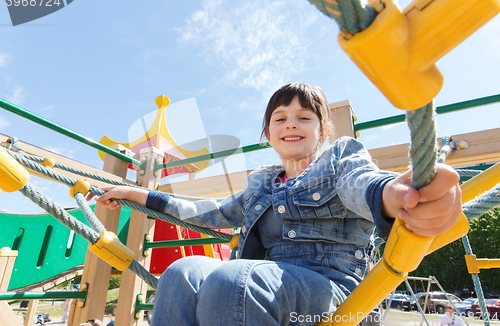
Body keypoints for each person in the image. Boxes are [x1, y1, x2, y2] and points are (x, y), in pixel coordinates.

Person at [88, 83, 462, 326]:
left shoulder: (339, 158)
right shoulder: (260, 183)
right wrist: (138, 195)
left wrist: (394, 195)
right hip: (266, 286)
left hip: (333, 291)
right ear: (268, 133)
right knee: (181, 271)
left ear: (323, 130)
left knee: (233, 279)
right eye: (280, 118)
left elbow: (361, 183)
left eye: (304, 117)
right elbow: (208, 212)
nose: (291, 124)